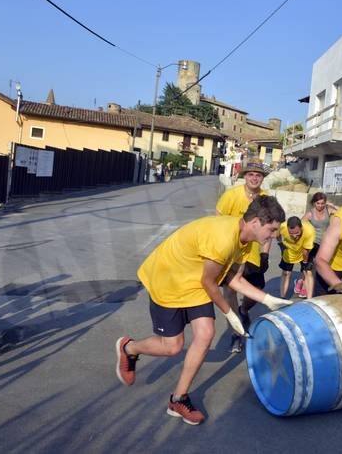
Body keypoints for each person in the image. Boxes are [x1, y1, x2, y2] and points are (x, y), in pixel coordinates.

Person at [115, 196, 290, 426]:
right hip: (169, 278)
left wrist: (268, 299)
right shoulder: (224, 239)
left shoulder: (245, 241)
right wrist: (229, 313)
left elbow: (233, 279)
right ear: (256, 222)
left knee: (205, 334)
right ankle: (129, 348)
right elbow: (210, 282)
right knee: (173, 346)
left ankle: (178, 399)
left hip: (194, 281)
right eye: (272, 229)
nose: (274, 236)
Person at [215, 159, 271, 353]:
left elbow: (270, 229)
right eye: (251, 174)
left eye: (259, 175)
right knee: (230, 293)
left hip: (254, 254)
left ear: (262, 178)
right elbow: (218, 223)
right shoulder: (231, 196)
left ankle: (244, 310)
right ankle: (235, 333)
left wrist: (265, 255)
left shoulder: (266, 200)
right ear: (245, 176)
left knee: (256, 290)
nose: (255, 178)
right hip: (232, 254)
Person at [278, 216, 315, 299]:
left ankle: (309, 300)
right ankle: (282, 297)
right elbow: (277, 235)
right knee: (286, 273)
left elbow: (306, 251)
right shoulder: (282, 227)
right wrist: (281, 244)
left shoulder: (309, 231)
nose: (294, 236)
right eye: (291, 234)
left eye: (297, 233)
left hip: (304, 251)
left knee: (308, 272)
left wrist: (305, 263)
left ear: (301, 227)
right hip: (290, 250)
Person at [302, 192, 338, 268]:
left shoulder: (328, 210)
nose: (320, 206)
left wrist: (333, 205)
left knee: (322, 265)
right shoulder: (310, 214)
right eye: (318, 203)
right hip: (313, 243)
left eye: (322, 203)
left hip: (325, 242)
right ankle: (303, 278)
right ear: (314, 203)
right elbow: (300, 226)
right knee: (309, 265)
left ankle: (317, 279)